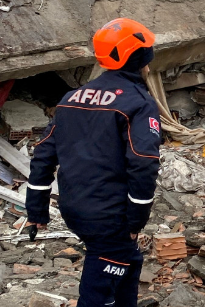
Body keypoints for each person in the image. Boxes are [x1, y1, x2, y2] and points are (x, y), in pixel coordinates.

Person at [26, 18, 161, 307]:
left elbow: (43, 155)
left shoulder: (71, 98)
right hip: (110, 216)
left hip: (75, 208)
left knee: (129, 259)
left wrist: (36, 210)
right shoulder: (139, 102)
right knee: (101, 283)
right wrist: (137, 219)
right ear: (139, 58)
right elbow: (143, 162)